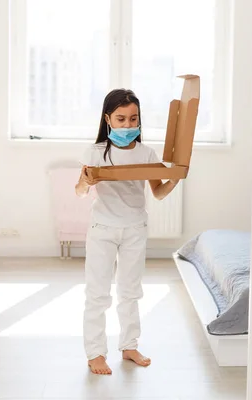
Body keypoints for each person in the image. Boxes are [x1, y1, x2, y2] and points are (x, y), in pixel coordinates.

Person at [75, 89, 179, 375]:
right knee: (97, 293)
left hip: (135, 229)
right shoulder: (94, 153)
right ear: (108, 119)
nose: (127, 126)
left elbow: (157, 192)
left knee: (130, 291)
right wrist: (84, 181)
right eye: (120, 119)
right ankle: (95, 352)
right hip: (103, 229)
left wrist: (175, 180)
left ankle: (129, 345)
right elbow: (81, 192)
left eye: (133, 119)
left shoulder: (147, 153)